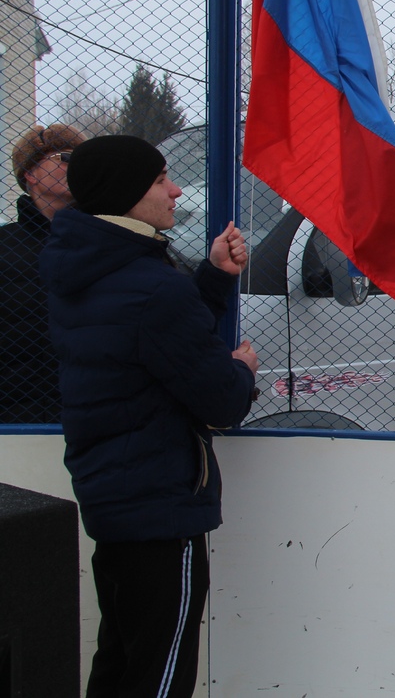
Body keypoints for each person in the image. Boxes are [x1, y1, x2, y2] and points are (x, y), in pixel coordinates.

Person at [39, 134, 260, 698]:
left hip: (111, 499)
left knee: (120, 660)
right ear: (127, 191)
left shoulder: (86, 271)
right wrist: (241, 370)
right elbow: (222, 402)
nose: (176, 190)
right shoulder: (153, 287)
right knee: (159, 675)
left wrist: (211, 281)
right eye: (162, 178)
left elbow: (151, 345)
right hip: (160, 509)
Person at [0, 124, 85, 423]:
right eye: (64, 157)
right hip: (17, 414)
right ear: (30, 174)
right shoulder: (4, 247)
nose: (76, 166)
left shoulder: (109, 240)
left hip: (96, 410)